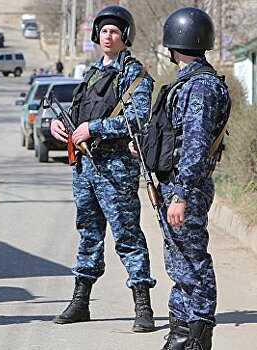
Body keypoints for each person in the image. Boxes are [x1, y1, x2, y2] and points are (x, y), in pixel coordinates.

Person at [50, 6, 156, 332]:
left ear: (125, 36)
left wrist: (93, 128)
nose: (108, 37)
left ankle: (143, 307)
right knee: (88, 235)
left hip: (116, 169)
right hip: (84, 167)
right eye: (104, 31)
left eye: (114, 31)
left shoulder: (134, 74)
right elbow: (76, 113)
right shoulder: (93, 74)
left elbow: (135, 119)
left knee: (127, 236)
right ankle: (81, 302)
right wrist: (60, 126)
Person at [132, 8, 230, 350]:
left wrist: (181, 194)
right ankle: (180, 335)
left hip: (184, 187)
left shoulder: (200, 86)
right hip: (175, 184)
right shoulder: (189, 81)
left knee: (192, 262)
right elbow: (174, 137)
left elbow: (196, 145)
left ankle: (198, 339)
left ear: (173, 43)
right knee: (179, 263)